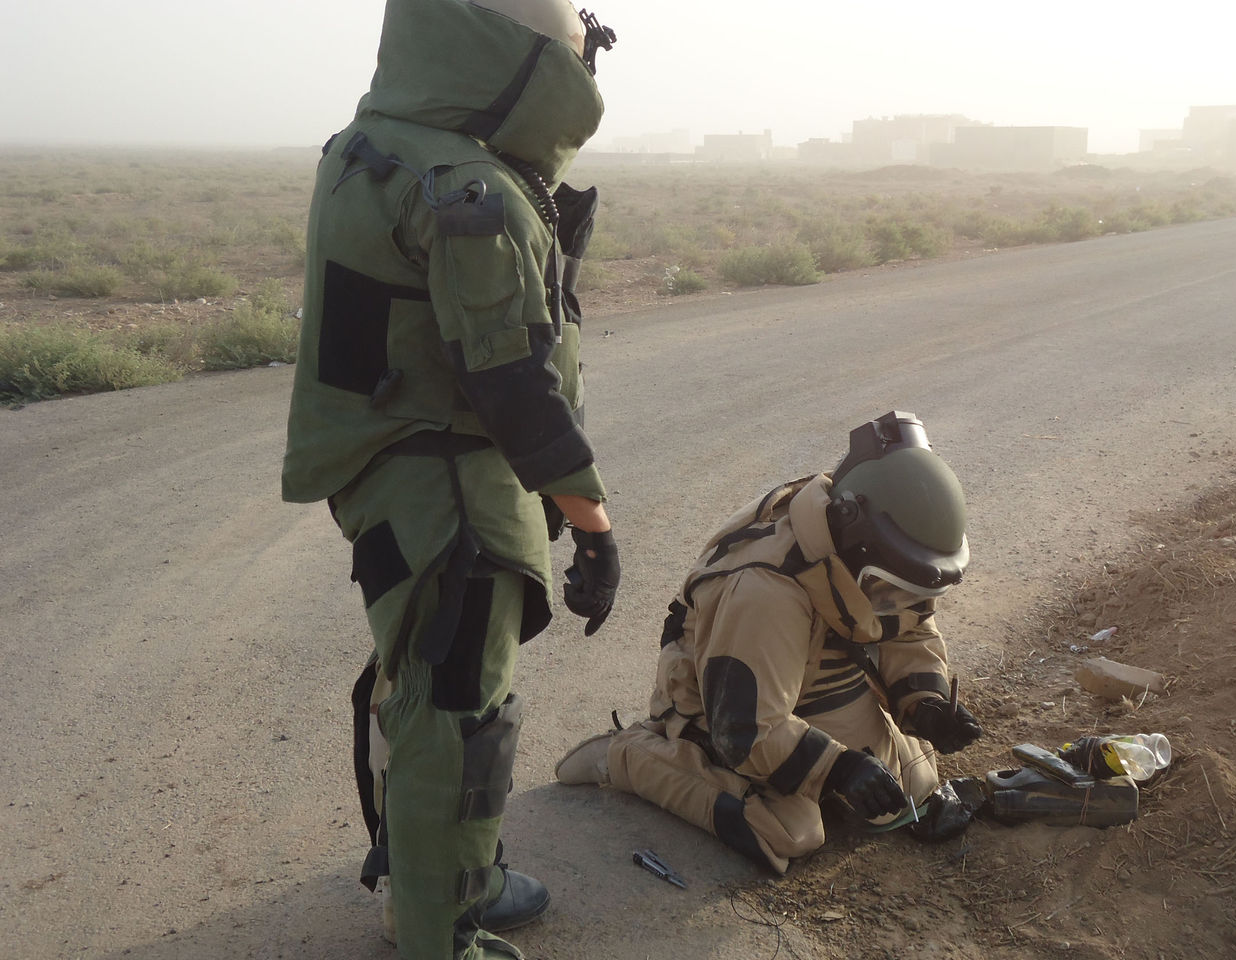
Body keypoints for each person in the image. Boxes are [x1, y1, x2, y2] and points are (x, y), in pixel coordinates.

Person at [280, 2, 619, 957]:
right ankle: (440, 929)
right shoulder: (469, 187)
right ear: (527, 59)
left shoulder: (370, 145)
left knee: (422, 690)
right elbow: (515, 388)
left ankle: (446, 878)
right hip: (448, 487)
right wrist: (592, 524)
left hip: (386, 464)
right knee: (460, 719)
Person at [555, 411, 982, 873]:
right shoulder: (764, 589)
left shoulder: (870, 546)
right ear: (857, 544)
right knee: (789, 830)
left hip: (806, 670)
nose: (902, 601)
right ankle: (629, 755)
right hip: (719, 700)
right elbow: (745, 729)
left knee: (914, 783)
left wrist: (927, 703)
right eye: (893, 588)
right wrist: (837, 768)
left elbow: (910, 626)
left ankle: (820, 760)